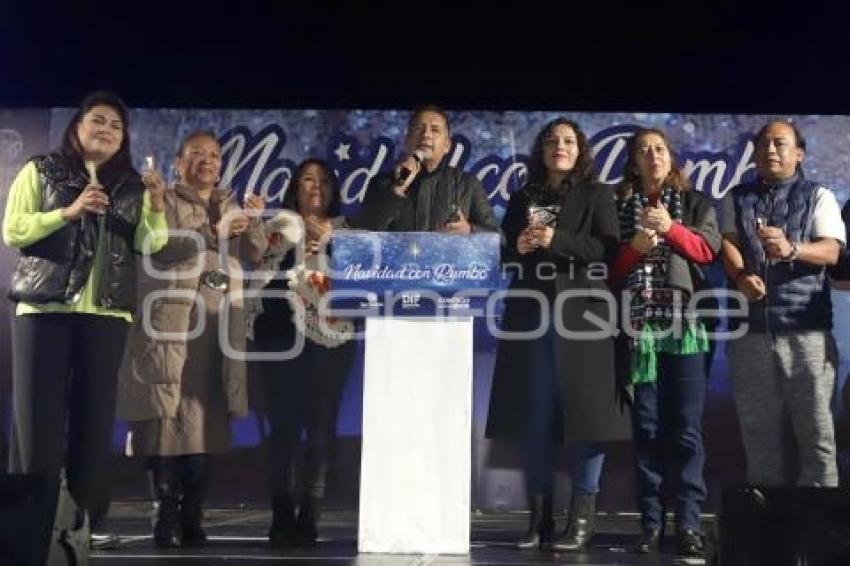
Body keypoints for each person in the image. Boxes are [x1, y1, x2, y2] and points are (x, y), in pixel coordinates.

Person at [2, 91, 167, 536]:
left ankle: (85, 523)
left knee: (95, 422)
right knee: (37, 422)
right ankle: (31, 522)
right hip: (44, 308)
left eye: (116, 126)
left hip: (107, 315)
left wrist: (155, 206)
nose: (107, 130)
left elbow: (150, 245)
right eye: (98, 121)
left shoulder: (132, 184)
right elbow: (13, 228)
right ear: (76, 127)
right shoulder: (42, 169)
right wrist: (68, 212)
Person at [486, 118, 631, 552]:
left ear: (580, 149)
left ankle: (580, 522)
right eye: (551, 141)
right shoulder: (524, 196)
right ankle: (538, 520)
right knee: (535, 419)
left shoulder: (597, 194)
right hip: (531, 316)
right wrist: (520, 249)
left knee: (586, 419)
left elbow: (607, 250)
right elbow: (505, 257)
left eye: (568, 141)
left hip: (584, 318)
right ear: (541, 150)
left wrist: (555, 238)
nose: (559, 147)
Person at [117, 130, 266, 547]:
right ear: (179, 162)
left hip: (217, 330)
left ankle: (193, 513)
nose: (208, 161)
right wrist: (216, 229)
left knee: (207, 425)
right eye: (197, 154)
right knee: (164, 423)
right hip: (172, 326)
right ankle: (164, 514)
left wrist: (252, 222)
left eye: (215, 155)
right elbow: (160, 248)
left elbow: (253, 255)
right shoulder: (164, 199)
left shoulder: (228, 202)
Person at [609, 128, 720, 558]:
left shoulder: (694, 203)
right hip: (639, 331)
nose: (651, 155)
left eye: (658, 149)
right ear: (633, 162)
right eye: (642, 151)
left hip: (684, 329)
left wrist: (671, 228)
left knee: (688, 433)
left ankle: (690, 524)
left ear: (670, 158)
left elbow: (707, 251)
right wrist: (635, 247)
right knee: (649, 430)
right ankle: (651, 524)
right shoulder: (619, 205)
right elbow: (611, 270)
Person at [720, 120, 844, 488]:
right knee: (758, 439)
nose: (771, 150)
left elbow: (833, 252)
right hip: (750, 334)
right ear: (755, 153)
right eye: (764, 145)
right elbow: (727, 243)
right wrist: (741, 276)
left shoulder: (818, 195)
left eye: (780, 144)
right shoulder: (736, 197)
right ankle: (766, 537)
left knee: (817, 437)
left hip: (807, 333)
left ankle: (818, 538)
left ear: (799, 154)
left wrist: (793, 249)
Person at [249, 158, 356, 547]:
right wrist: (259, 227)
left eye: (324, 179)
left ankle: (309, 517)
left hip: (332, 337)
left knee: (321, 427)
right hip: (280, 333)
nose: (316, 185)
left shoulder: (347, 230)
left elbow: (360, 281)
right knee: (284, 428)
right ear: (295, 187)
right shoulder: (279, 224)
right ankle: (281, 516)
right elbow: (255, 261)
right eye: (308, 179)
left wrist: (329, 242)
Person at [347, 104, 498, 233]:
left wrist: (469, 230)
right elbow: (362, 233)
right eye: (419, 128)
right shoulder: (381, 183)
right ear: (407, 140)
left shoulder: (468, 184)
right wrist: (397, 189)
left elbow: (499, 238)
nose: (426, 135)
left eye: (435, 130)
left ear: (447, 146)